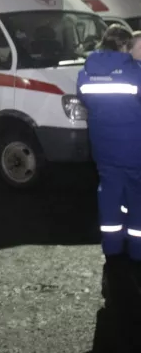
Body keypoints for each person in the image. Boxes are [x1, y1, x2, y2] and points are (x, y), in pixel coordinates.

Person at [77, 24, 141, 278]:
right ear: (124, 45)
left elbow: (84, 100)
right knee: (137, 196)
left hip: (103, 147)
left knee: (110, 194)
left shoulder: (87, 71)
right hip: (134, 147)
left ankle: (112, 248)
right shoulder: (134, 72)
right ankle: (137, 250)